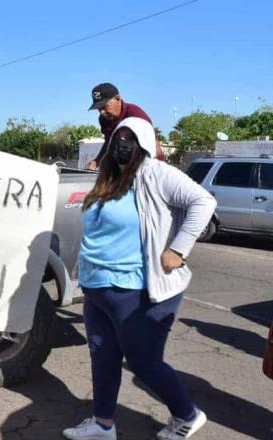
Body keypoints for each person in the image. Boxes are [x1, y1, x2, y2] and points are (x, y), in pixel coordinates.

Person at [62, 117, 216, 440]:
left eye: (131, 137)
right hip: (96, 289)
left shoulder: (155, 174)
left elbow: (204, 201)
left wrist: (178, 249)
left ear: (143, 142)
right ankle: (103, 424)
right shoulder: (108, 178)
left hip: (133, 291)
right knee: (102, 357)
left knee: (144, 363)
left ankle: (187, 414)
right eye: (120, 136)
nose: (123, 143)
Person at [85, 83, 164, 170]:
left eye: (105, 106)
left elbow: (154, 145)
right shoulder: (103, 120)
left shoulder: (136, 114)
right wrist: (97, 161)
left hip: (147, 168)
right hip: (122, 170)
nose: (102, 112)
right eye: (99, 109)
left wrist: (159, 172)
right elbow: (109, 142)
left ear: (118, 98)